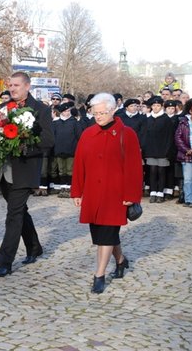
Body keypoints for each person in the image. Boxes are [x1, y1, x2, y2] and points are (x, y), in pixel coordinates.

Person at [71, 92, 143, 294]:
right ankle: (120, 260)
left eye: (102, 113)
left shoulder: (126, 133)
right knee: (101, 233)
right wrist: (77, 191)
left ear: (113, 110)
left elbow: (134, 167)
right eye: (95, 113)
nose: (99, 116)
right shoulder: (87, 134)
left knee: (107, 233)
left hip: (116, 194)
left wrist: (132, 194)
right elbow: (79, 165)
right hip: (93, 193)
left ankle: (99, 275)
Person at [0, 71, 54, 277]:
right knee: (19, 211)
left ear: (27, 86)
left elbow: (48, 140)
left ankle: (4, 262)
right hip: (4, 170)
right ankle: (34, 246)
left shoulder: (40, 110)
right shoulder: (2, 109)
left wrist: (24, 146)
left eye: (16, 85)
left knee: (13, 215)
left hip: (25, 169)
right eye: (10, 85)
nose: (12, 88)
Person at [141, 96, 175, 203]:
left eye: (158, 105)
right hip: (151, 150)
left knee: (161, 171)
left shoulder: (166, 120)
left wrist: (168, 151)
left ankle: (160, 193)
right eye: (154, 105)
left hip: (163, 151)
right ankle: (153, 192)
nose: (155, 107)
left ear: (161, 106)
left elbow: (170, 136)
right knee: (152, 171)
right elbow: (145, 136)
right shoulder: (148, 119)